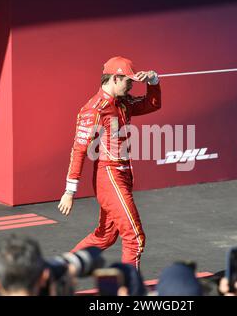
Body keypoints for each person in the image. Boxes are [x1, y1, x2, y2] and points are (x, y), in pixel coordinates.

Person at [58, 56, 161, 270]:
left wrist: (153, 80)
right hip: (109, 177)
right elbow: (79, 149)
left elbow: (153, 104)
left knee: (104, 236)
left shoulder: (123, 102)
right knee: (134, 238)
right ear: (115, 78)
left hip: (122, 176)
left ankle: (52, 275)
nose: (132, 85)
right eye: (128, 81)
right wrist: (70, 191)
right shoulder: (94, 109)